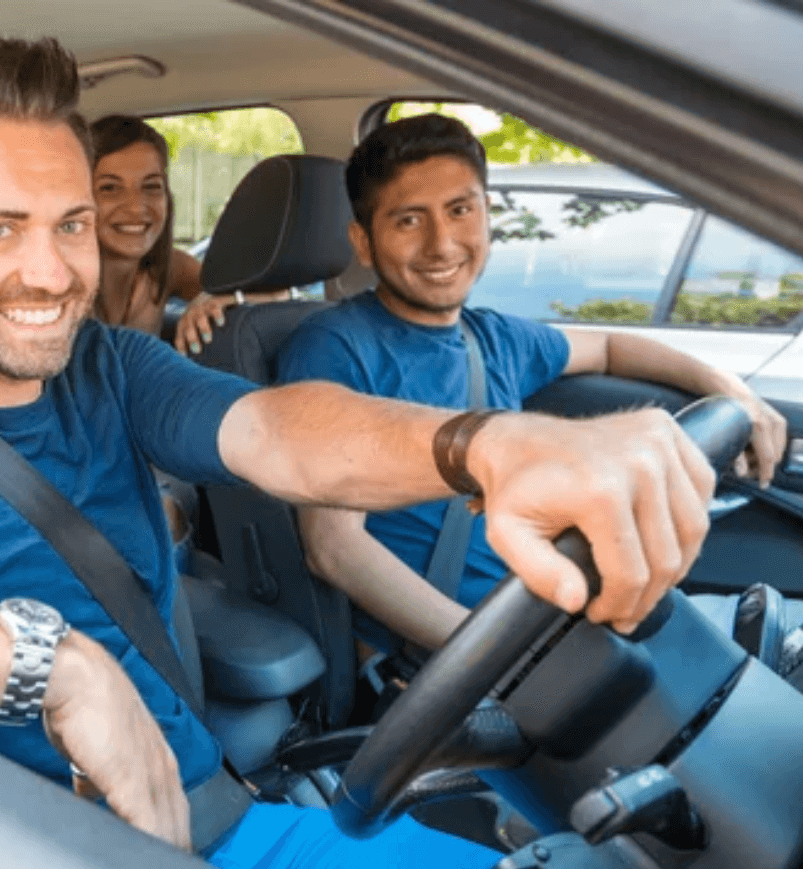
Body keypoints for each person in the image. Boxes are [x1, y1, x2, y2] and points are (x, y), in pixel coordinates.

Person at [0, 40, 717, 868]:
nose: (54, 270)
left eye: (69, 222)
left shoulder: (107, 367)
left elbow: (274, 432)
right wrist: (41, 661)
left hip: (233, 811)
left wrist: (484, 442)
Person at [277, 113, 788, 658]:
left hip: (541, 617)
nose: (442, 243)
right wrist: (492, 653)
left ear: (486, 215)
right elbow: (334, 547)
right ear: (363, 241)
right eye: (408, 221)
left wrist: (731, 389)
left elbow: (612, 348)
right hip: (449, 659)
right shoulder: (333, 348)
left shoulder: (494, 338)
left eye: (459, 210)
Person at [89, 114, 297, 356]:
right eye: (110, 188)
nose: (136, 207)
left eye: (151, 186)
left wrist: (220, 299)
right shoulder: (58, 280)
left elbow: (278, 294)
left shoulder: (167, 268)